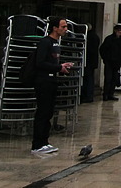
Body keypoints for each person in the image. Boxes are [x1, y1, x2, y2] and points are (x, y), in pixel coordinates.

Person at [31, 16, 74, 154]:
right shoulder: (45, 42)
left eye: (66, 27)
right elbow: (40, 63)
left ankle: (44, 141)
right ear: (55, 28)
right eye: (63, 27)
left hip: (52, 81)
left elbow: (53, 63)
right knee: (42, 112)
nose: (65, 29)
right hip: (43, 81)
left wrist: (62, 66)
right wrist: (58, 68)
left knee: (48, 111)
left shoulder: (56, 43)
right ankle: (37, 144)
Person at [99, 24, 121, 101]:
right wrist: (105, 59)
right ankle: (106, 94)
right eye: (118, 31)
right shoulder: (109, 39)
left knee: (114, 79)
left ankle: (111, 94)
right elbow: (102, 49)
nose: (119, 32)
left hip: (116, 63)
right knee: (108, 79)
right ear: (115, 31)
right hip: (109, 62)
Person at [80, 24, 100, 103]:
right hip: (92, 61)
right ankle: (88, 95)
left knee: (87, 79)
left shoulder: (89, 37)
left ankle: (87, 96)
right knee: (89, 78)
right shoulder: (95, 36)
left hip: (88, 61)